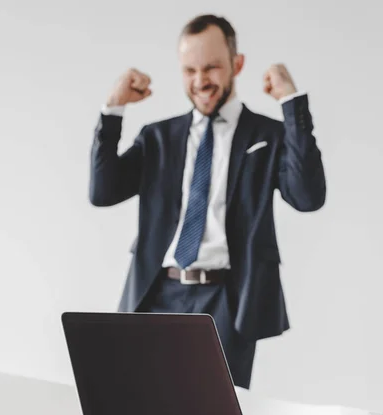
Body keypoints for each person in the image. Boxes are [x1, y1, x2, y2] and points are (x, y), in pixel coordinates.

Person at [89, 14, 326, 390]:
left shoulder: (269, 134)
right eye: (190, 70)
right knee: (142, 411)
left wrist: (291, 104)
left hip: (228, 302)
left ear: (237, 64)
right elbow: (102, 192)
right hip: (156, 295)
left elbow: (308, 197)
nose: (200, 81)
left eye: (212, 67)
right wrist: (114, 109)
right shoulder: (158, 137)